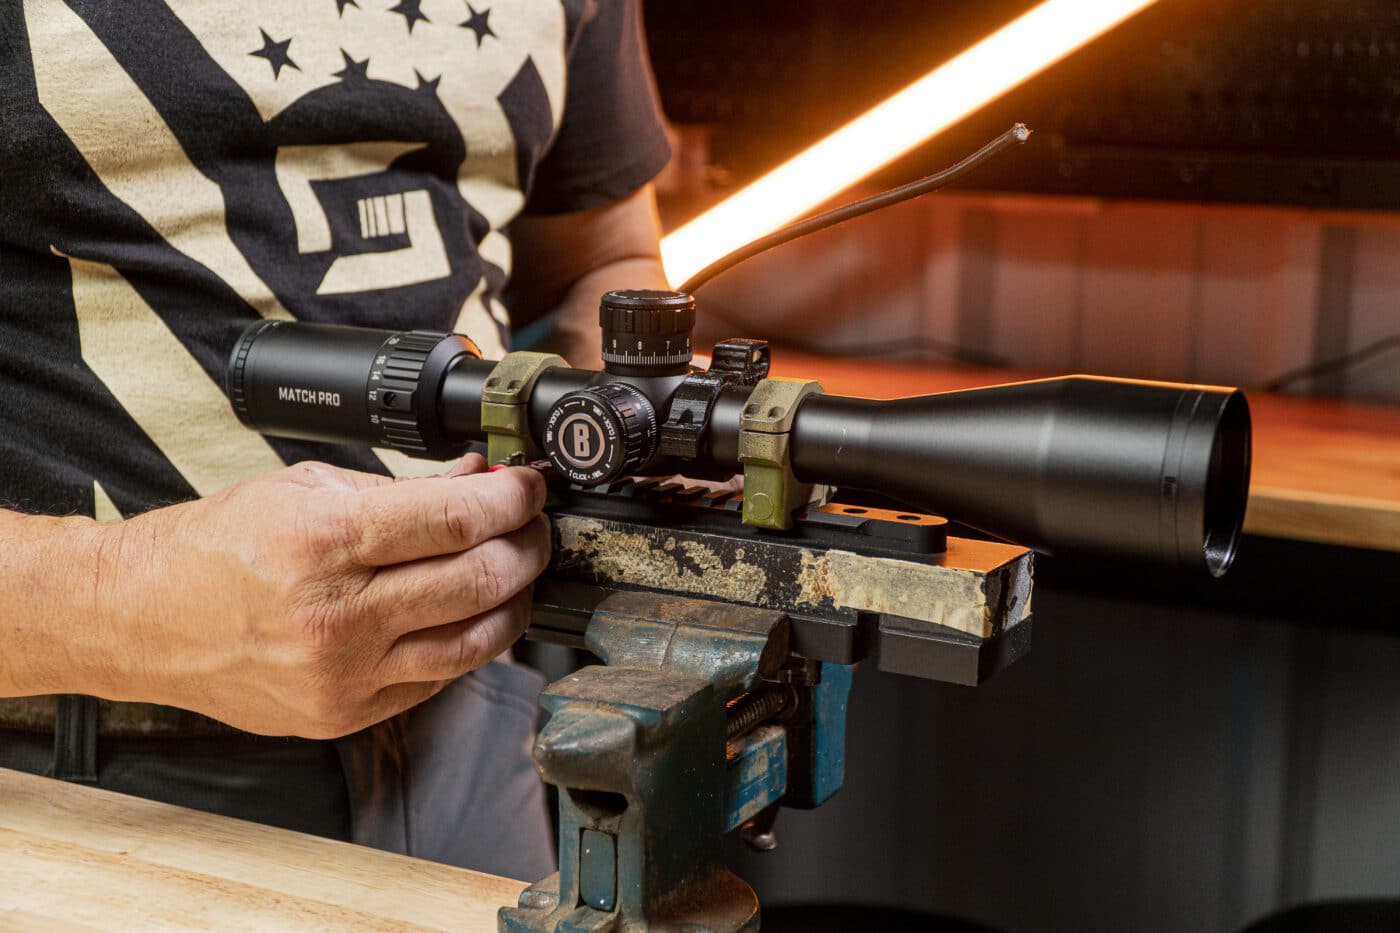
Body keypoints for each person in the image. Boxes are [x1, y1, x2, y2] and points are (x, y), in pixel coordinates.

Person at [0, 0, 671, 881]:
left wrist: (636, 421)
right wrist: (124, 601)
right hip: (71, 768)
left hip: (480, 733)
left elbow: (604, 258)